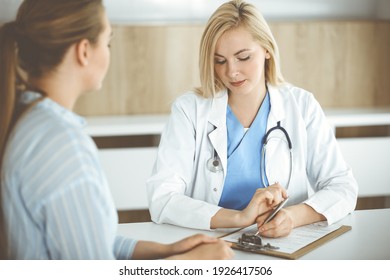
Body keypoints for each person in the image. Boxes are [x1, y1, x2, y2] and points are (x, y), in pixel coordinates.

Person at [0, 0, 234, 260]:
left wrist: (166, 251)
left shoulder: (25, 119)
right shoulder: (62, 147)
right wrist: (190, 262)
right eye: (107, 42)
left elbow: (91, 239)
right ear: (84, 51)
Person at [146, 0, 358, 237]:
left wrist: (292, 217)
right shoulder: (189, 110)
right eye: (220, 61)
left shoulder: (302, 106)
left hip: (284, 242)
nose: (231, 71)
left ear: (267, 49)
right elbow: (162, 199)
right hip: (211, 244)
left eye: (243, 57)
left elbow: (342, 187)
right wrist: (239, 217)